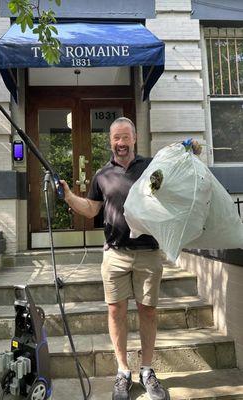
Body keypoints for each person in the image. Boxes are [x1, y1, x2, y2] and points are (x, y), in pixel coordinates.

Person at [60, 117, 200, 400]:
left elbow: (177, 172)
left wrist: (190, 151)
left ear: (134, 138)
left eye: (126, 137)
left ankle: (147, 370)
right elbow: (91, 210)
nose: (121, 143)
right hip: (115, 254)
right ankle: (123, 371)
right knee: (116, 311)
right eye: (116, 138)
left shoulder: (152, 168)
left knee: (148, 311)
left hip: (149, 253)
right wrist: (68, 197)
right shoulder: (102, 175)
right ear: (110, 141)